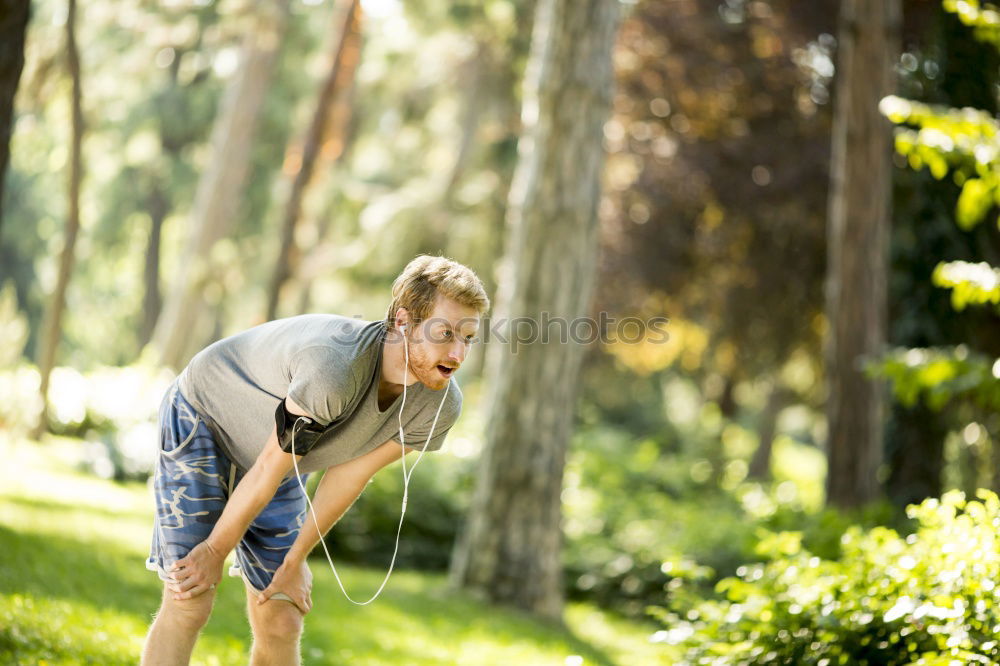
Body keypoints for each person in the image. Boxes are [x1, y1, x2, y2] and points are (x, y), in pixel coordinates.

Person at [140, 255, 489, 666]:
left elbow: (348, 475)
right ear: (402, 321)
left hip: (280, 457)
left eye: (468, 337)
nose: (458, 352)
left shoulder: (438, 407)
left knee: (282, 615)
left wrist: (294, 560)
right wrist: (215, 550)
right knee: (190, 598)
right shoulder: (335, 370)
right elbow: (270, 466)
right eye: (445, 333)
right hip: (204, 417)